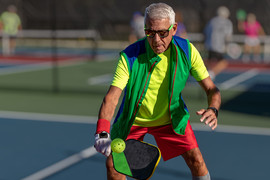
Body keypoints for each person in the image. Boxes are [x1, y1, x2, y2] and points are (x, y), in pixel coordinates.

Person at [94, 3, 221, 180]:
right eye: (150, 33)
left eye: (163, 33)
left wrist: (213, 108)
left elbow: (212, 89)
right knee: (113, 167)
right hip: (133, 120)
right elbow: (112, 98)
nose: (156, 40)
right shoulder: (130, 56)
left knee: (197, 161)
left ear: (174, 28)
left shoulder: (187, 51)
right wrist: (102, 131)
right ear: (145, 30)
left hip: (170, 118)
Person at [204, 6, 233, 80]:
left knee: (210, 61)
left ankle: (195, 68)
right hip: (219, 46)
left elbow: (206, 32)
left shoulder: (212, 21)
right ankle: (212, 73)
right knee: (223, 63)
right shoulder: (228, 23)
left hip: (210, 45)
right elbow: (228, 36)